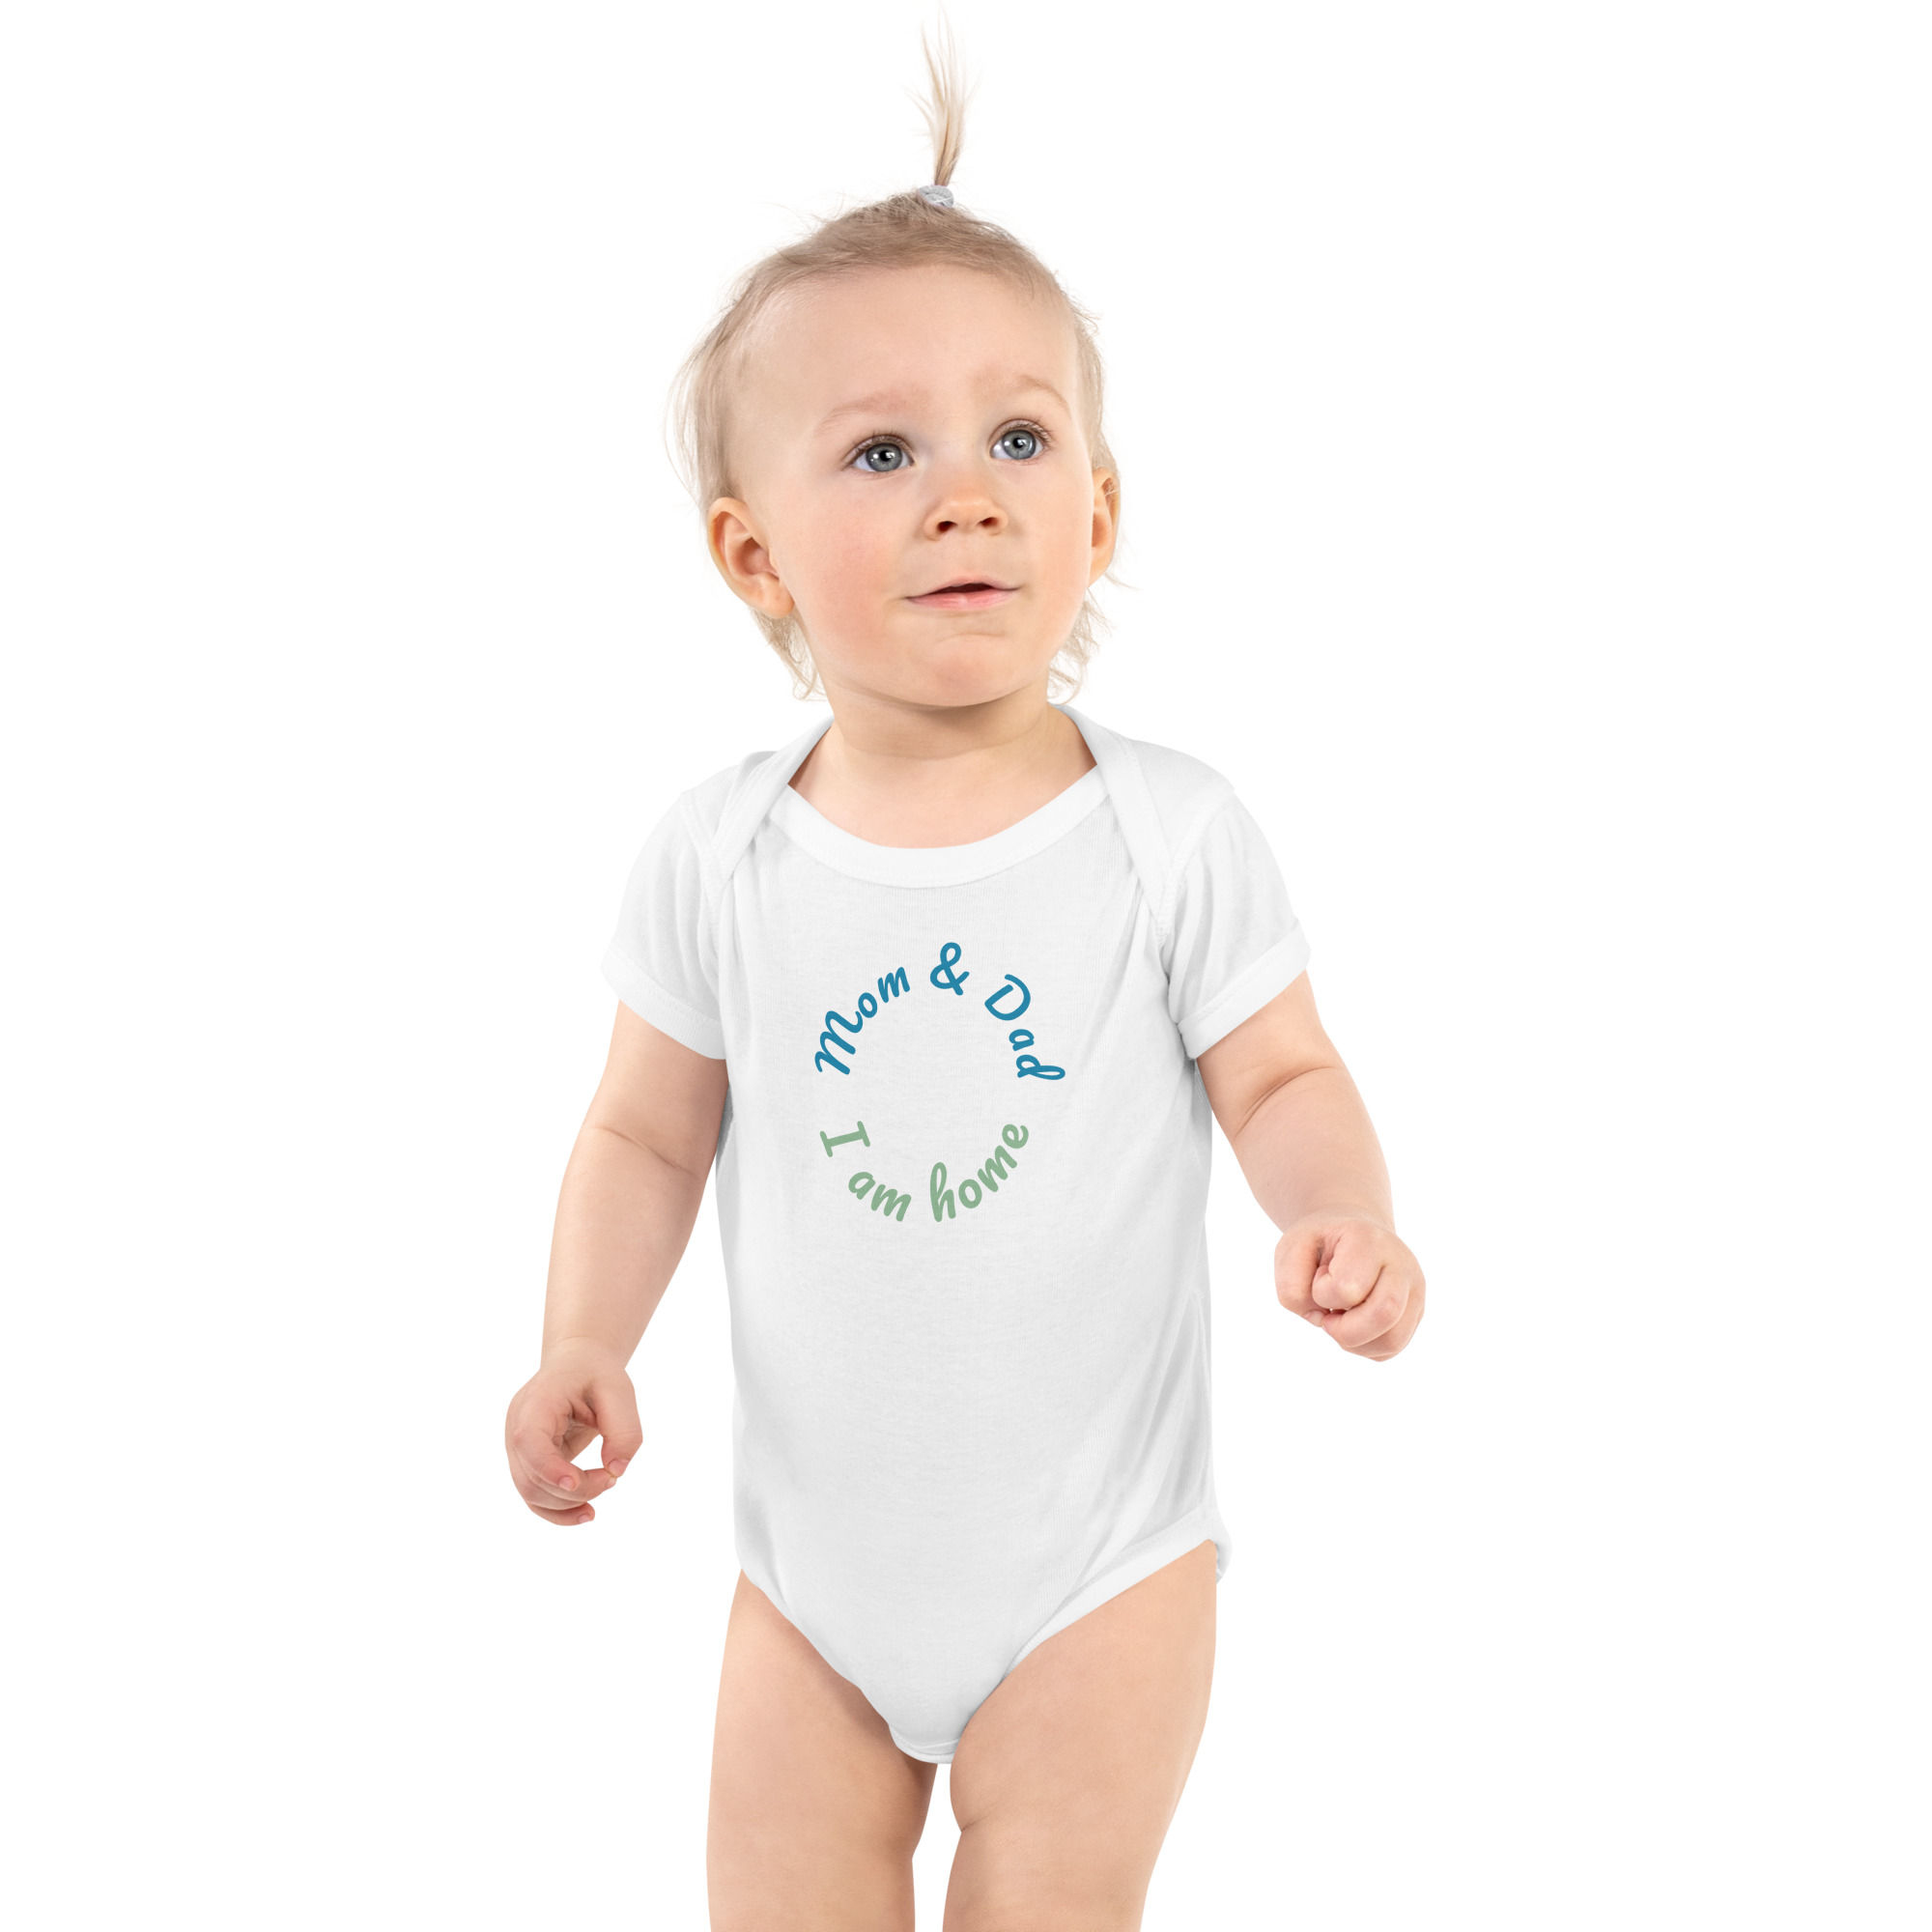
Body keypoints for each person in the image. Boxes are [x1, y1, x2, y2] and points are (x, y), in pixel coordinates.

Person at [503, 36, 1425, 1930]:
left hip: (1098, 1572)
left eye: (1018, 439)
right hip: (808, 1592)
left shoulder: (1165, 832)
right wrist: (585, 1334)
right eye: (881, 452)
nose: (966, 496)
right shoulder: (719, 854)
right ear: (752, 556)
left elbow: (1280, 1075)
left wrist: (1337, 1209)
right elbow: (641, 1135)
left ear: (1098, 513)